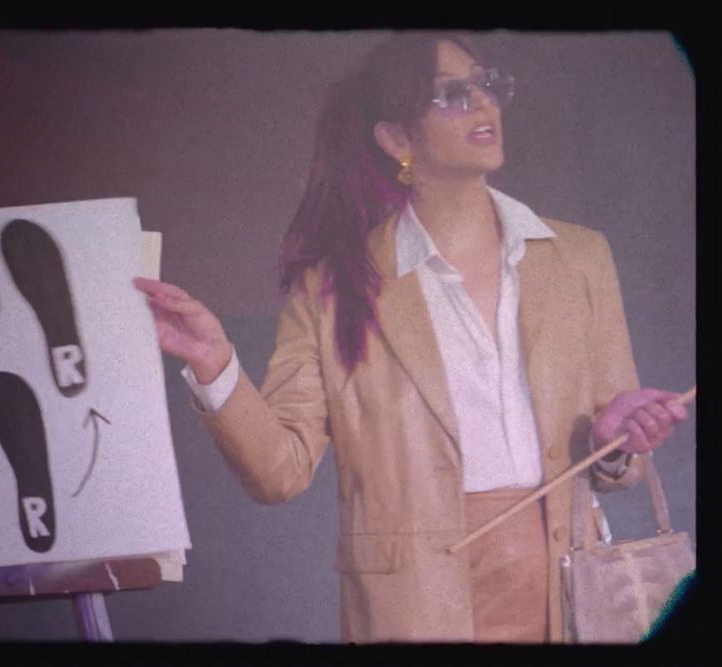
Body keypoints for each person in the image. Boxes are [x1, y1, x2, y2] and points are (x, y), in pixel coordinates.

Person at [133, 33, 690, 643]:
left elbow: (619, 462)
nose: (482, 104)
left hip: (567, 589)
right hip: (411, 606)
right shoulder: (334, 288)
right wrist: (216, 367)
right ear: (397, 138)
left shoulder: (580, 257)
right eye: (451, 95)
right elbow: (278, 472)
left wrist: (615, 442)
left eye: (486, 84)